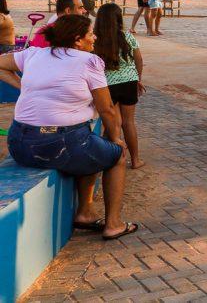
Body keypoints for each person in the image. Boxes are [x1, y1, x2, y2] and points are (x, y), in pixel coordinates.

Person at [0, 15, 137, 239]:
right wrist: (117, 140)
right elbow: (107, 109)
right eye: (90, 34)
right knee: (116, 155)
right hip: (60, 145)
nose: (95, 37)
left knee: (92, 143)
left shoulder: (33, 54)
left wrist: (23, 86)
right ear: (77, 40)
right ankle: (113, 224)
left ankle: (86, 213)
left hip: (20, 144)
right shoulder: (89, 61)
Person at [93, 4, 145, 169]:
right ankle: (135, 160)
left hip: (108, 84)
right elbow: (139, 60)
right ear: (118, 19)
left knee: (113, 124)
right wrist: (137, 78)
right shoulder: (127, 36)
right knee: (129, 122)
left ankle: (112, 160)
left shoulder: (95, 39)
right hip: (129, 82)